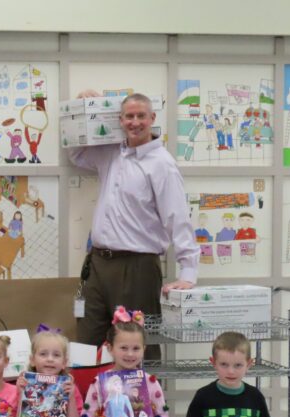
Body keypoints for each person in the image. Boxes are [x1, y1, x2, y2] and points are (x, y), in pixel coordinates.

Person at [69, 91, 199, 360]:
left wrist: (188, 272)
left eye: (141, 116)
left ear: (152, 118)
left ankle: (143, 402)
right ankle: (89, 402)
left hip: (137, 266)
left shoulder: (162, 164)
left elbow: (178, 217)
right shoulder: (110, 153)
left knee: (137, 346)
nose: (135, 122)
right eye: (129, 116)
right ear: (121, 120)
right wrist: (83, 107)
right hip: (97, 264)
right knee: (87, 342)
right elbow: (77, 154)